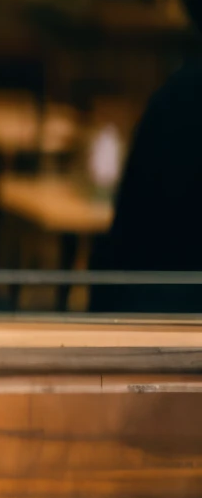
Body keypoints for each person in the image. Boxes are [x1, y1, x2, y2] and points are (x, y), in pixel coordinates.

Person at [90, 59, 202, 313]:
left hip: (158, 297)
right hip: (163, 298)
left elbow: (130, 223)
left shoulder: (179, 96)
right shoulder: (181, 96)